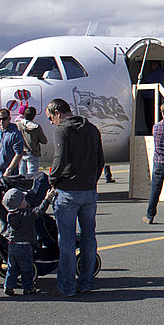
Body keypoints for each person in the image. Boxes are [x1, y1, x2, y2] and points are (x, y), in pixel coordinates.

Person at [46, 97, 104, 297]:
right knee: (89, 238)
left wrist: (52, 179)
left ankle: (67, 286)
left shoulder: (62, 130)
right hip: (89, 190)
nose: (51, 122)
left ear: (57, 114)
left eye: (50, 118)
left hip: (69, 191)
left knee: (67, 241)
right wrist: (92, 180)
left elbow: (60, 159)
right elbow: (100, 159)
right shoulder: (92, 129)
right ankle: (86, 281)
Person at [0, 108, 24, 217]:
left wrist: (9, 169)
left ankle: (13, 221)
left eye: (4, 119)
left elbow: (18, 154)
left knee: (10, 200)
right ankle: (3, 218)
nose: (1, 122)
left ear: (9, 119)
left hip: (8, 172)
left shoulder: (15, 134)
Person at [1, 187, 40, 297]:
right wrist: (47, 199)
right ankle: (28, 288)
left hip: (13, 246)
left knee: (12, 268)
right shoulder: (26, 215)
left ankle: (8, 285)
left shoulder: (10, 216)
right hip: (24, 246)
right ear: (19, 203)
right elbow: (39, 211)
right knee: (26, 268)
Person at [16, 106, 47, 176]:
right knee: (32, 175)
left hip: (22, 152)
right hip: (33, 152)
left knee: (21, 174)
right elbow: (44, 141)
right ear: (34, 116)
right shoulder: (36, 127)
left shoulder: (18, 125)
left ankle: (22, 186)